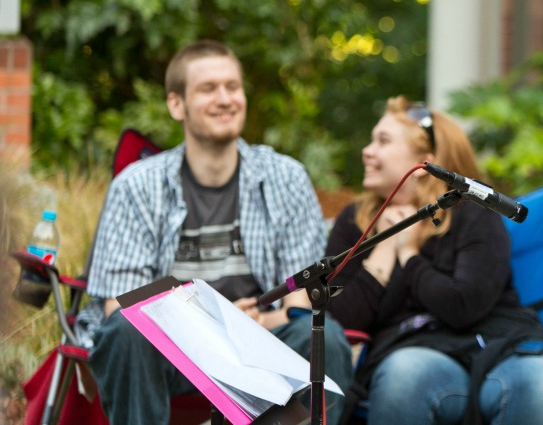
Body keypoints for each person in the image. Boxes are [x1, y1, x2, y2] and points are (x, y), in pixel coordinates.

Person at [76, 40, 353, 424]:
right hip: (171, 346)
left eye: (232, 87)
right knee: (124, 331)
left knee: (326, 338)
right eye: (208, 89)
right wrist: (219, 327)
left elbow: (302, 298)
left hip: (261, 340)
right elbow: (121, 305)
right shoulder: (137, 185)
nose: (225, 98)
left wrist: (250, 327)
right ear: (177, 105)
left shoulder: (285, 177)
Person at [324, 96, 543, 425]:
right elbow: (340, 318)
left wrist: (410, 255)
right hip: (417, 355)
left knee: (538, 384)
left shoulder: (474, 209)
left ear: (425, 162)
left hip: (502, 348)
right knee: (404, 376)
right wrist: (386, 248)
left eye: (382, 141)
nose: (366, 151)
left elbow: (464, 305)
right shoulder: (354, 221)